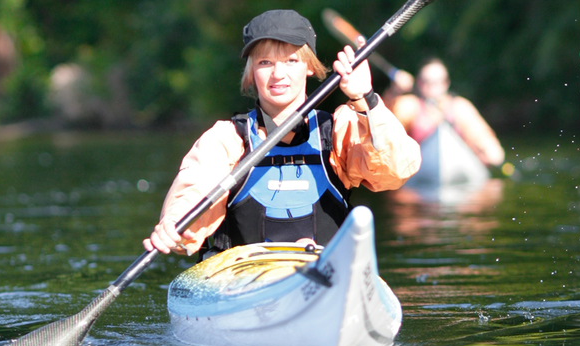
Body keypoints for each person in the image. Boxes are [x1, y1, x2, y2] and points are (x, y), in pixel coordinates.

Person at [143, 9, 421, 258]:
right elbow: (194, 188)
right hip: (241, 282)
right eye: (265, 62)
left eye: (290, 60)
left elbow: (396, 171)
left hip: (324, 272)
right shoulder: (227, 139)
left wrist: (366, 99)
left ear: (310, 66)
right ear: (251, 72)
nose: (278, 74)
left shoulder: (338, 130)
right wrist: (174, 225)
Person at [383, 58, 504, 169]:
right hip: (419, 169)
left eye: (439, 81)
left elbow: (488, 143)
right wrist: (394, 91)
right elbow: (382, 130)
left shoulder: (460, 107)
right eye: (427, 81)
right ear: (419, 83)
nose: (433, 86)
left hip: (458, 167)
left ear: (446, 83)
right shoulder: (408, 105)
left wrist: (491, 153)